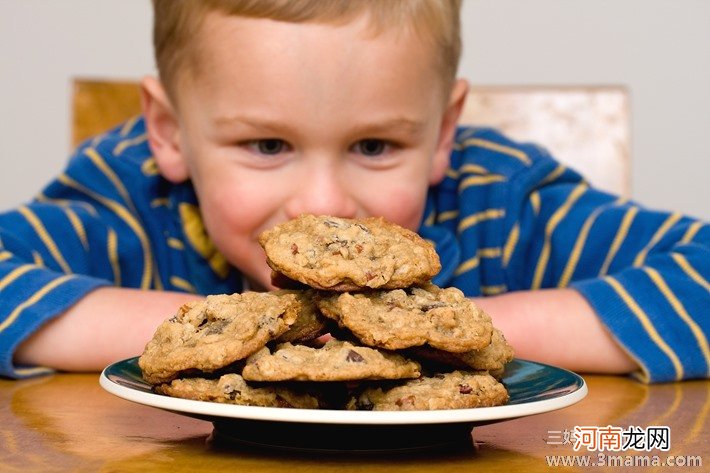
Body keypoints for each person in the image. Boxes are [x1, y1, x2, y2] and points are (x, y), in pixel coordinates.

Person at [1, 0, 707, 383]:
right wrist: (219, 337)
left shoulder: (503, 203)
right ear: (169, 132)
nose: (324, 204)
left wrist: (456, 337)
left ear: (442, 134)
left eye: (374, 146)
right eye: (267, 145)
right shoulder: (129, 201)